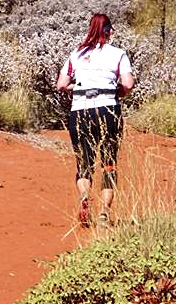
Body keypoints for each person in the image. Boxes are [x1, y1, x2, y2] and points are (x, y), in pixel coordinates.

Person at [56, 13, 135, 227]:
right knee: (109, 163)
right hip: (108, 109)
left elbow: (61, 84)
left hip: (80, 111)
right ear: (108, 31)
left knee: (84, 162)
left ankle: (84, 196)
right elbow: (128, 83)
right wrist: (116, 91)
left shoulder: (77, 54)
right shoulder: (118, 54)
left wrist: (78, 88)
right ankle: (103, 214)